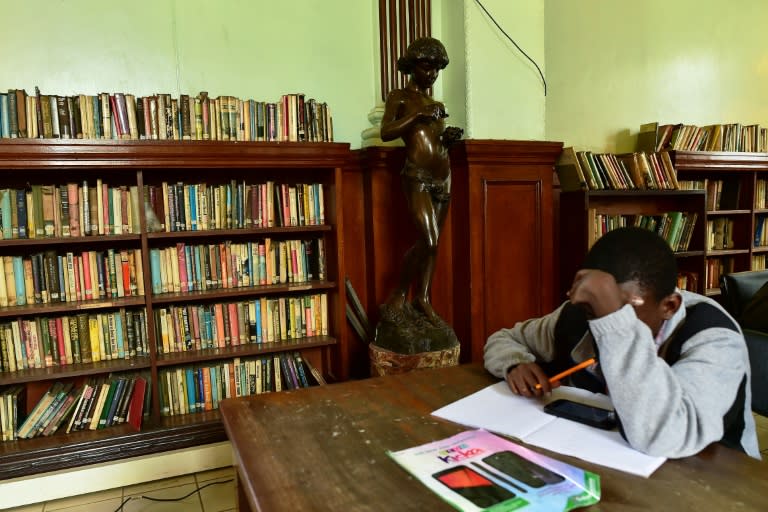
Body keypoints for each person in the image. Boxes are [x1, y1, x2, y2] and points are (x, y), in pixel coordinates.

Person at [484, 226, 760, 459]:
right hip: (609, 456)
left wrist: (614, 319)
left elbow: (665, 434)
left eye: (623, 310)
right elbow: (504, 338)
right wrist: (515, 362)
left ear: (669, 306)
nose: (601, 323)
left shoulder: (715, 339)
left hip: (712, 474)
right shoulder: (582, 313)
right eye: (597, 310)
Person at [380, 37, 463, 326]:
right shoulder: (400, 97)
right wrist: (417, 114)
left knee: (434, 243)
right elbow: (387, 132)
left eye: (437, 69)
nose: (432, 74)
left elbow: (433, 142)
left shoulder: (435, 103)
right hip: (417, 177)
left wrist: (447, 139)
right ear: (412, 65)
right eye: (428, 66)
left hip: (444, 177)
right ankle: (400, 293)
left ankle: (423, 298)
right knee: (427, 239)